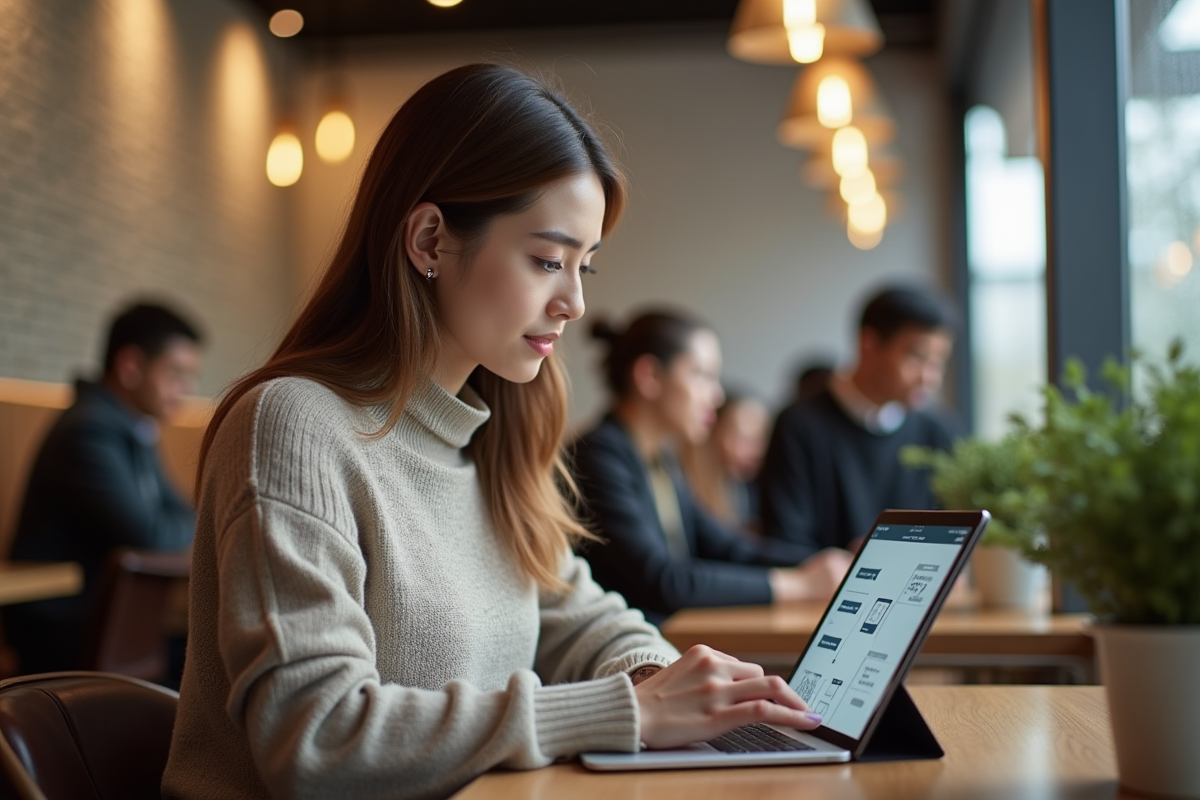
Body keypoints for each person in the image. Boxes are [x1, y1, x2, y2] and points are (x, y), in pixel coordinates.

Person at [161, 64, 822, 800]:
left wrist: (657, 676)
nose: (571, 302)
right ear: (430, 240)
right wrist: (628, 710)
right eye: (547, 260)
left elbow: (576, 615)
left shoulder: (491, 437)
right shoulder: (295, 427)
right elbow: (315, 737)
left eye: (584, 268)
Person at [571, 310, 854, 624]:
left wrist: (829, 562)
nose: (716, 396)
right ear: (649, 376)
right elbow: (664, 582)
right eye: (701, 375)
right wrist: (801, 585)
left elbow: (729, 548)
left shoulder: (657, 461)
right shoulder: (597, 455)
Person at [3, 302, 201, 674]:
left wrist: (191, 522)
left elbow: (180, 513)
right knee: (210, 664)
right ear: (130, 366)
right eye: (176, 374)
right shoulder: (89, 431)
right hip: (62, 629)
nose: (185, 390)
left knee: (211, 655)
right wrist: (196, 524)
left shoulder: (131, 428)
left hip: (106, 618)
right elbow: (150, 533)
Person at [760, 285, 958, 556]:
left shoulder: (937, 431)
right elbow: (784, 542)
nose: (929, 378)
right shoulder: (799, 425)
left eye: (939, 362)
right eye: (916, 357)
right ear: (869, 344)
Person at [677, 387, 770, 531]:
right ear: (712, 433)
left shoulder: (749, 490)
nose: (756, 451)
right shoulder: (684, 485)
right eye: (743, 437)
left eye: (761, 439)